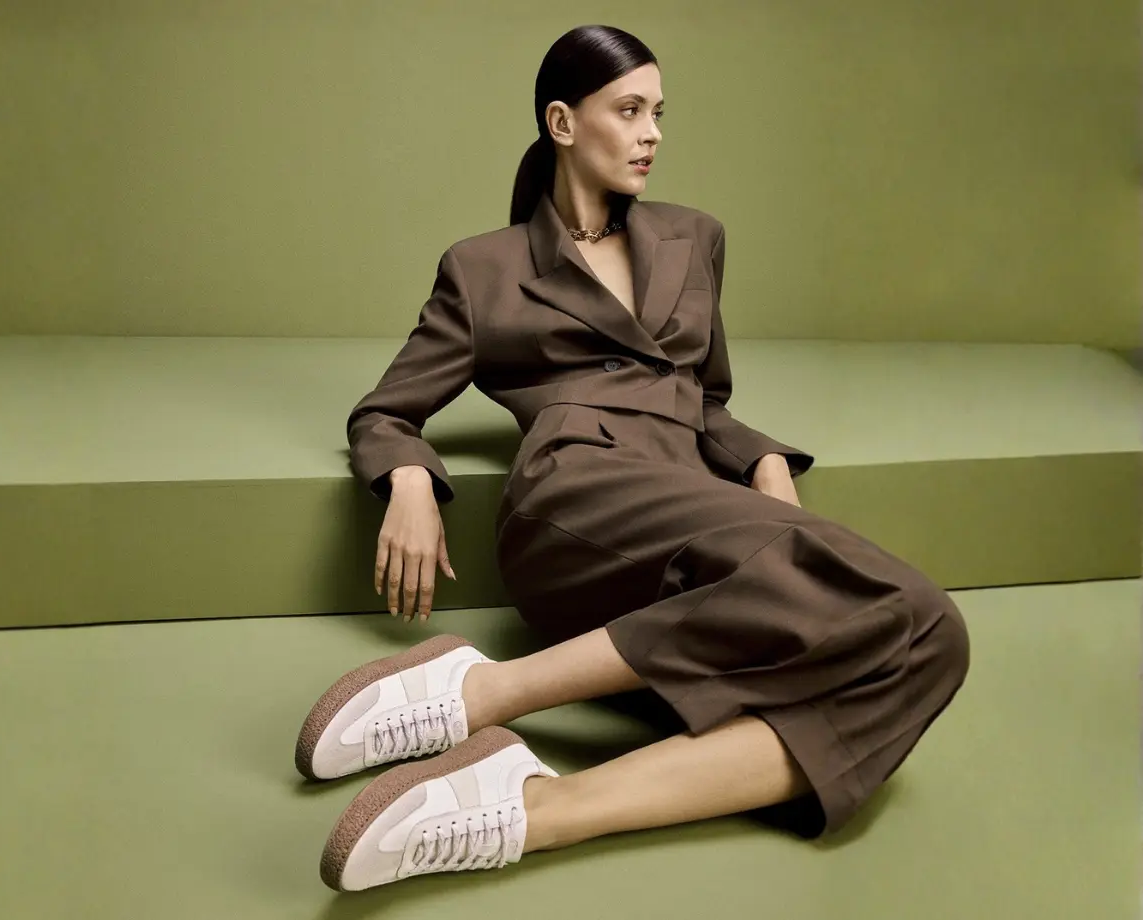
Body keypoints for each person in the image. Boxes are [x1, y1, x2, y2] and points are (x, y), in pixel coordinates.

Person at [295, 24, 971, 893]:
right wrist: (411, 482)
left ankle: (534, 808)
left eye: (657, 113)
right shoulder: (484, 267)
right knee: (882, 602)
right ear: (562, 123)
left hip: (684, 510)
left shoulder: (695, 237)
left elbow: (705, 400)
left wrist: (765, 467)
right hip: (577, 493)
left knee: (930, 642)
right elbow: (388, 408)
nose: (651, 133)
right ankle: (480, 693)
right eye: (628, 110)